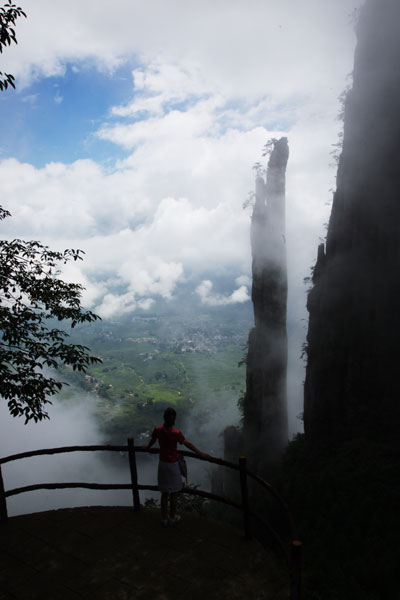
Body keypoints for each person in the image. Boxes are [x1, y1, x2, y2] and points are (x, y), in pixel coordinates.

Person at [142, 407, 209, 526]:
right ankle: (172, 517)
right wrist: (200, 453)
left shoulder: (158, 430)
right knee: (173, 493)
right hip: (173, 465)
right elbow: (187, 444)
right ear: (174, 420)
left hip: (162, 464)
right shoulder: (176, 433)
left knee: (164, 493)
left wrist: (147, 448)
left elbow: (152, 441)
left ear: (164, 418)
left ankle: (163, 518)